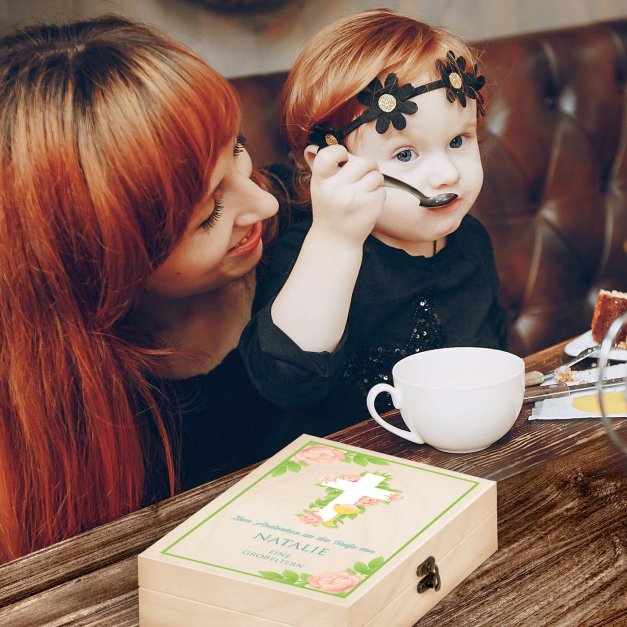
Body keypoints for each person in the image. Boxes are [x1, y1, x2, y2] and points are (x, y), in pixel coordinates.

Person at [0, 15, 281, 562]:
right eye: (209, 213)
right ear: (94, 261)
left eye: (239, 149)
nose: (264, 204)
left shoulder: (309, 238)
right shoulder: (44, 422)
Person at [240, 8, 506, 437]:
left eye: (458, 140)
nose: (446, 174)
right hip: (349, 480)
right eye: (405, 154)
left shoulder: (471, 240)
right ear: (332, 166)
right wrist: (335, 240)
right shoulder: (315, 252)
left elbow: (493, 352)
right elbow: (285, 383)